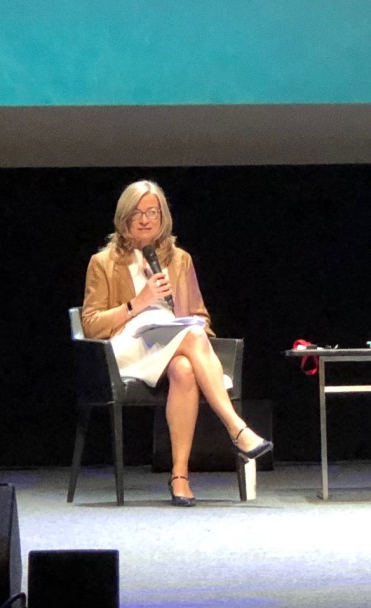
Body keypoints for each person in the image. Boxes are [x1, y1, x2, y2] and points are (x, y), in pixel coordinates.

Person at [81, 180, 272, 507]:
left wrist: (194, 336)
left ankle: (180, 476)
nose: (145, 220)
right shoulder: (103, 262)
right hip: (129, 347)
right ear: (124, 218)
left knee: (184, 368)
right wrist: (138, 303)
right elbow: (91, 324)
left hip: (174, 342)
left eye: (152, 212)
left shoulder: (180, 259)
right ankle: (236, 429)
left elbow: (199, 315)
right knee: (193, 336)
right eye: (137, 213)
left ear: (163, 216)